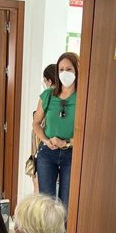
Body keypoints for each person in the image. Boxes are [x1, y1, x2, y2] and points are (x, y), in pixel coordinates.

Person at [33, 52, 79, 211]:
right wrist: (46, 140)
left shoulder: (83, 98)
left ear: (76, 71)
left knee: (65, 205)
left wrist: (66, 143)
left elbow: (88, 133)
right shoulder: (47, 95)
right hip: (48, 153)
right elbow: (36, 123)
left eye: (69, 69)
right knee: (46, 205)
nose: (64, 73)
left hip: (72, 154)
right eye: (61, 70)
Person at [29, 65, 59, 193]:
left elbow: (37, 125)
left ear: (49, 81)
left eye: (44, 80)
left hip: (44, 149)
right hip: (47, 149)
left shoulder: (48, 98)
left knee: (40, 191)